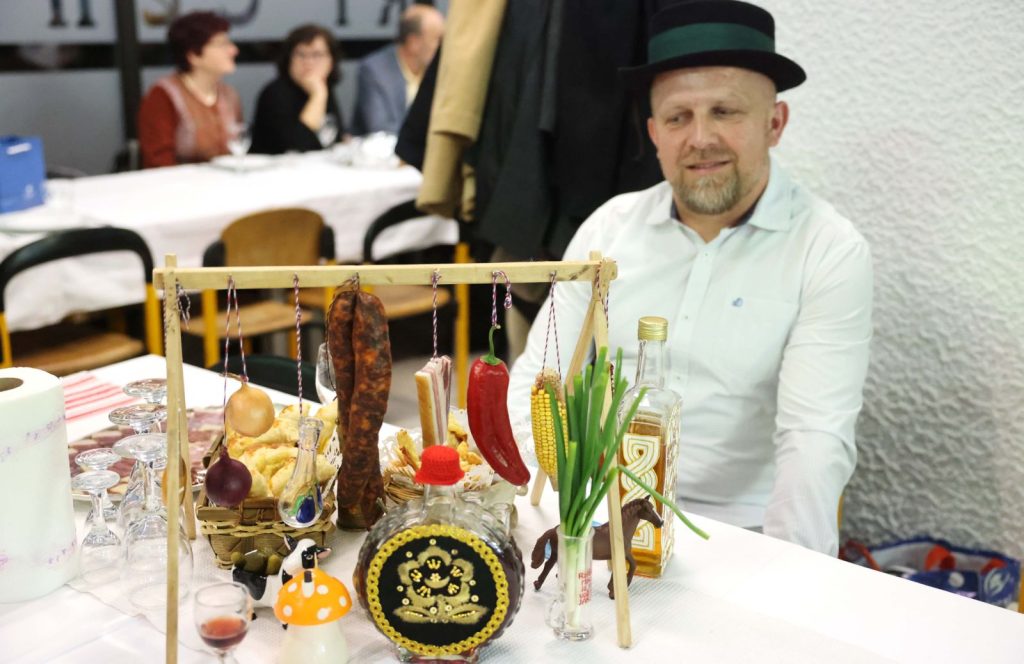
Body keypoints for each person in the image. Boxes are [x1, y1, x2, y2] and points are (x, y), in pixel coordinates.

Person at [508, 0, 873, 557]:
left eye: (725, 111)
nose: (701, 138)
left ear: (775, 123)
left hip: (744, 537)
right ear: (654, 132)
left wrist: (792, 577)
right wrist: (539, 510)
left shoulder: (827, 249)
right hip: (598, 515)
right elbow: (539, 379)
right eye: (679, 117)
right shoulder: (608, 228)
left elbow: (814, 441)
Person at [138, 11, 242, 168]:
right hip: (179, 181)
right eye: (222, 44)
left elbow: (238, 147)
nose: (233, 50)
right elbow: (158, 162)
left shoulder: (229, 95)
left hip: (225, 180)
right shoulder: (163, 95)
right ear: (193, 55)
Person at [251, 24, 346, 155]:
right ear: (289, 59)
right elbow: (298, 146)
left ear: (331, 62)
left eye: (317, 55)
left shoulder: (324, 87)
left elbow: (335, 138)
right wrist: (317, 96)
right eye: (301, 54)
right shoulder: (274, 93)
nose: (308, 62)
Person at [351, 4, 444, 135]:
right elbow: (380, 128)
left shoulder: (440, 72)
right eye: (438, 39)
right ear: (414, 43)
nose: (443, 47)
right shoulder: (375, 70)